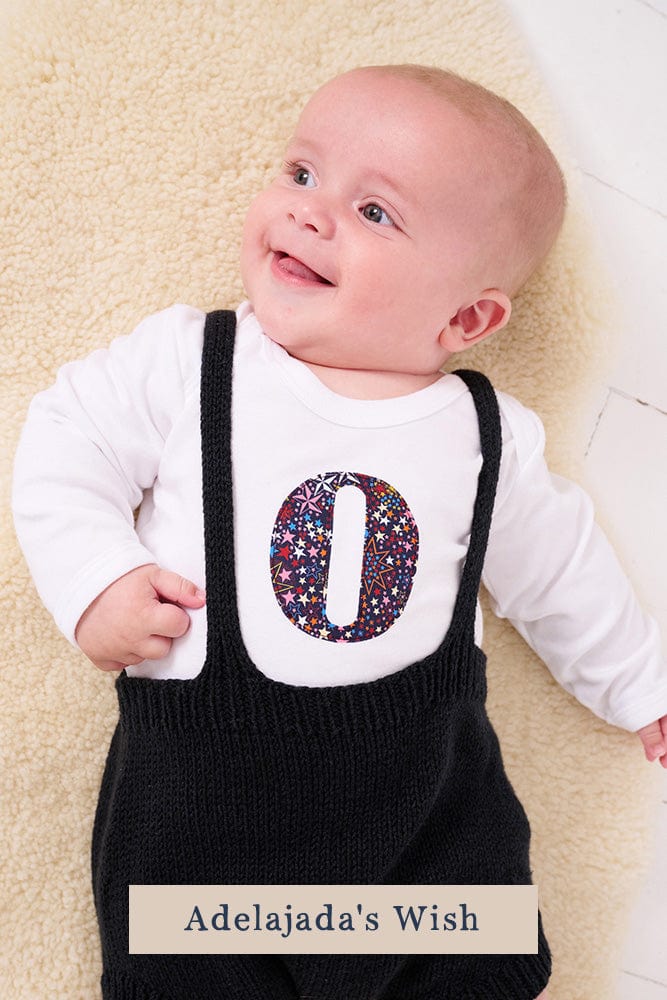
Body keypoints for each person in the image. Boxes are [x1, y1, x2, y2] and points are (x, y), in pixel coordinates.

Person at [12, 63, 667, 1000]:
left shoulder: (485, 438)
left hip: (420, 813)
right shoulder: (188, 362)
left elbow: (561, 573)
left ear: (467, 317)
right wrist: (96, 578)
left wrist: (638, 684)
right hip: (203, 816)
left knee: (474, 961)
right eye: (301, 174)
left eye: (375, 213)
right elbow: (64, 441)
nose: (309, 214)